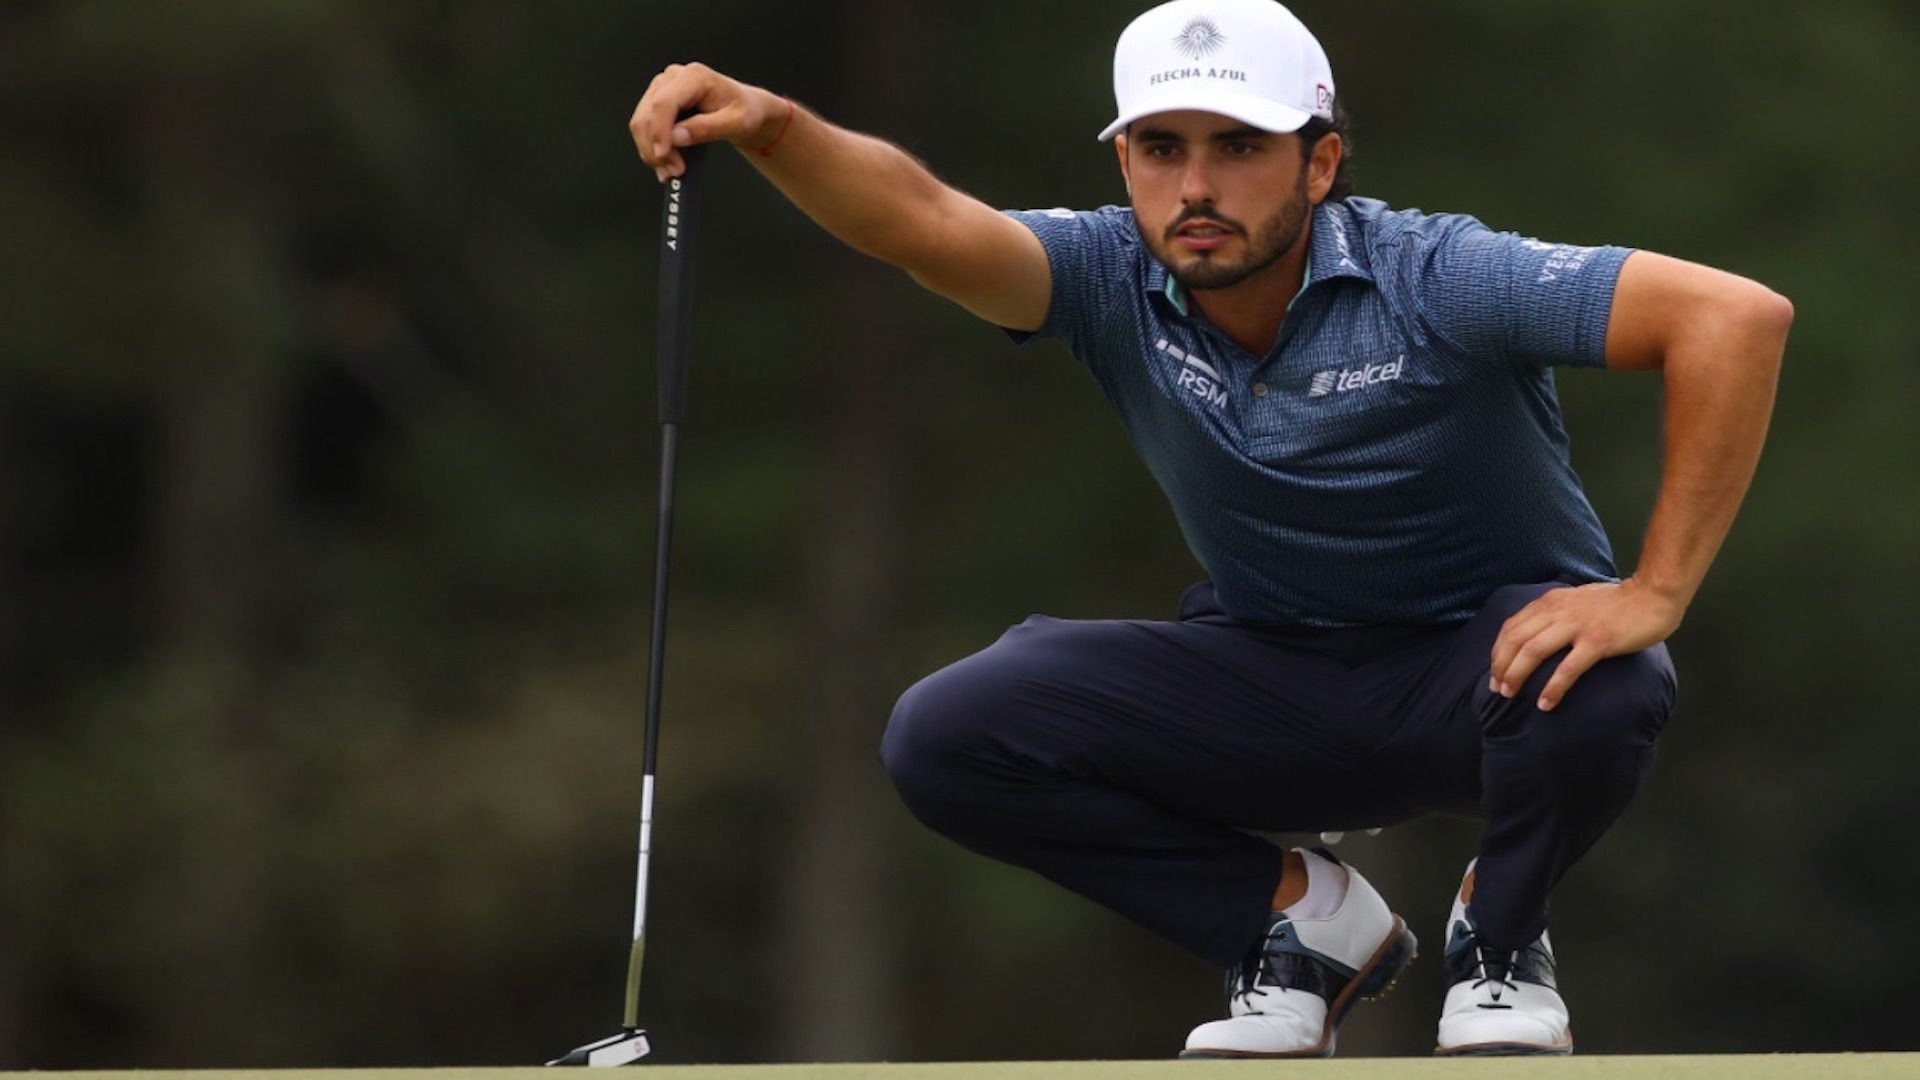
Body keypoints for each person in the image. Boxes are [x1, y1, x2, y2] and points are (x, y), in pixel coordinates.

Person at [631, 0, 1790, 1058]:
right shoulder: (1101, 274)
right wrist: (776, 127)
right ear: (1127, 160)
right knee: (950, 733)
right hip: (1273, 679)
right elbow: (925, 221)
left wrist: (1655, 588)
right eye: (1160, 147)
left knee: (1611, 669)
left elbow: (1731, 318)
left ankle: (1499, 935)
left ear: (1320, 160)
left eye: (1239, 147)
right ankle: (1295, 926)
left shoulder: (1438, 274)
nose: (1196, 186)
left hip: (1485, 682)